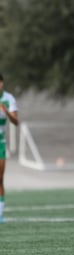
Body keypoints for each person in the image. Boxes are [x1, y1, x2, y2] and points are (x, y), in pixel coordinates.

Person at [0, 73, 19, 223]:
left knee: (0, 179)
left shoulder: (8, 98)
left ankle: (0, 214)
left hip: (0, 143)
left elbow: (16, 122)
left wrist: (6, 111)